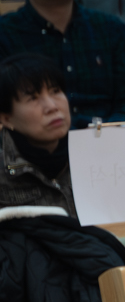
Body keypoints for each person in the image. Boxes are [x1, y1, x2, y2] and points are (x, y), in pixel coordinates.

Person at [0, 54, 79, 219]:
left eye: (55, 91)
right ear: (6, 119)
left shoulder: (94, 155)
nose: (52, 106)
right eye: (33, 98)